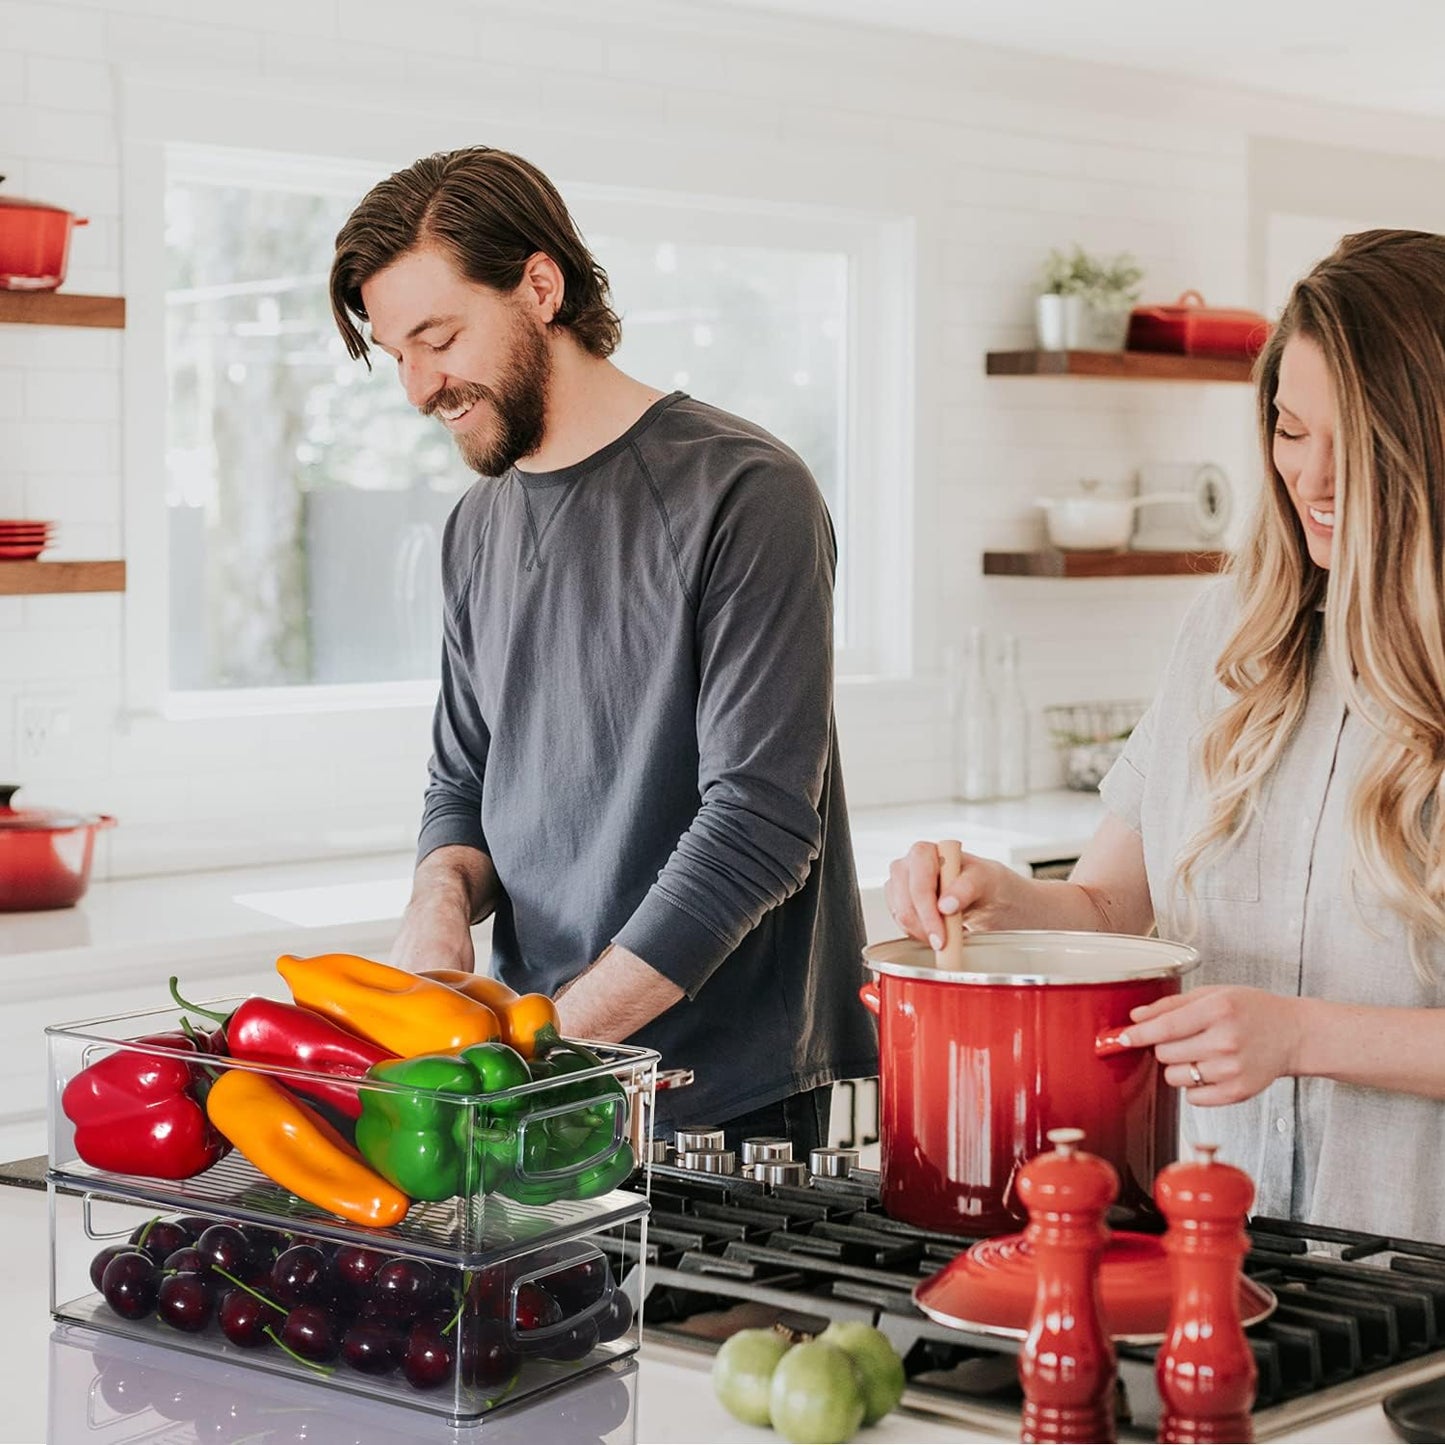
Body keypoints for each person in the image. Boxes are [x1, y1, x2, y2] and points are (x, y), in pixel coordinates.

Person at [887, 229, 1445, 1240]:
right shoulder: (1226, 635)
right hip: (1214, 1245)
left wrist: (1305, 1035)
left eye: (1349, 443)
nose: (1308, 479)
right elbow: (1109, 901)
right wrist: (999, 899)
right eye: (1287, 430)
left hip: (1417, 1262)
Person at [328, 146, 877, 1150]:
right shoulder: (474, 526)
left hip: (721, 1100)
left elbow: (759, 824)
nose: (416, 388)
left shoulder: (745, 492)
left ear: (540, 285)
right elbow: (463, 781)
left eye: (437, 337)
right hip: (532, 1080)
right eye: (393, 351)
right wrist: (437, 901)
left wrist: (545, 1051)